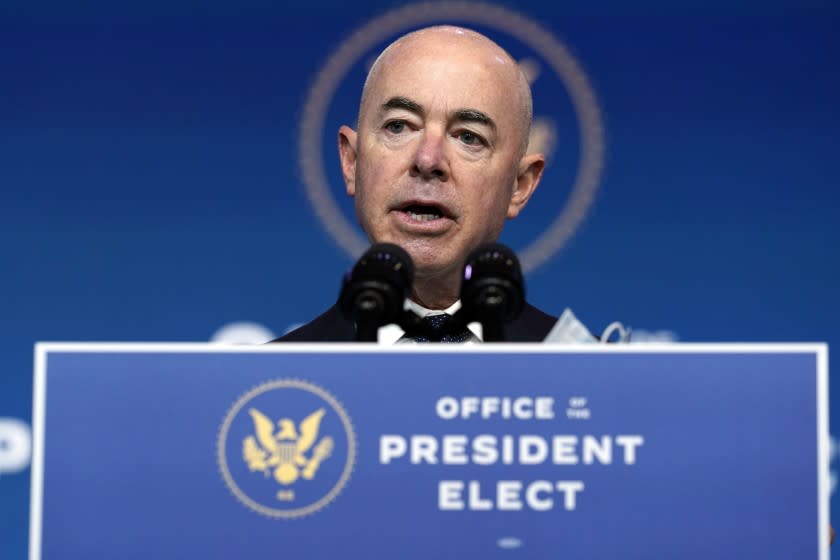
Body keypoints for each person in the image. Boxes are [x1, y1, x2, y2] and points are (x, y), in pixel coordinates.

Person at [279, 25, 557, 343]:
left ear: (520, 186)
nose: (427, 160)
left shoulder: (592, 378)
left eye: (468, 137)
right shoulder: (275, 381)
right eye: (398, 126)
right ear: (352, 162)